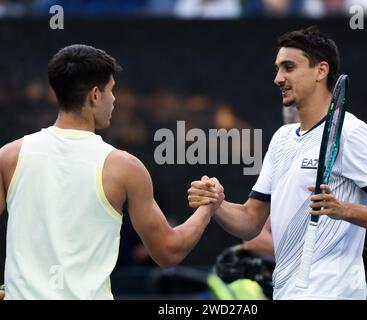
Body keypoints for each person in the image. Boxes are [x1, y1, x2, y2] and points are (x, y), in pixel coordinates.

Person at [188, 26, 367, 300]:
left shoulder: (352, 133)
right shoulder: (281, 138)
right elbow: (249, 222)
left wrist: (343, 210)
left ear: (321, 70)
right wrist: (216, 204)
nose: (278, 78)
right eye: (278, 68)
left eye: (289, 67)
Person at [0, 44, 216, 300]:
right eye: (111, 90)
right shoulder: (125, 168)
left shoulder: (9, 156)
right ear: (95, 95)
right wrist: (207, 207)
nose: (114, 99)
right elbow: (168, 252)